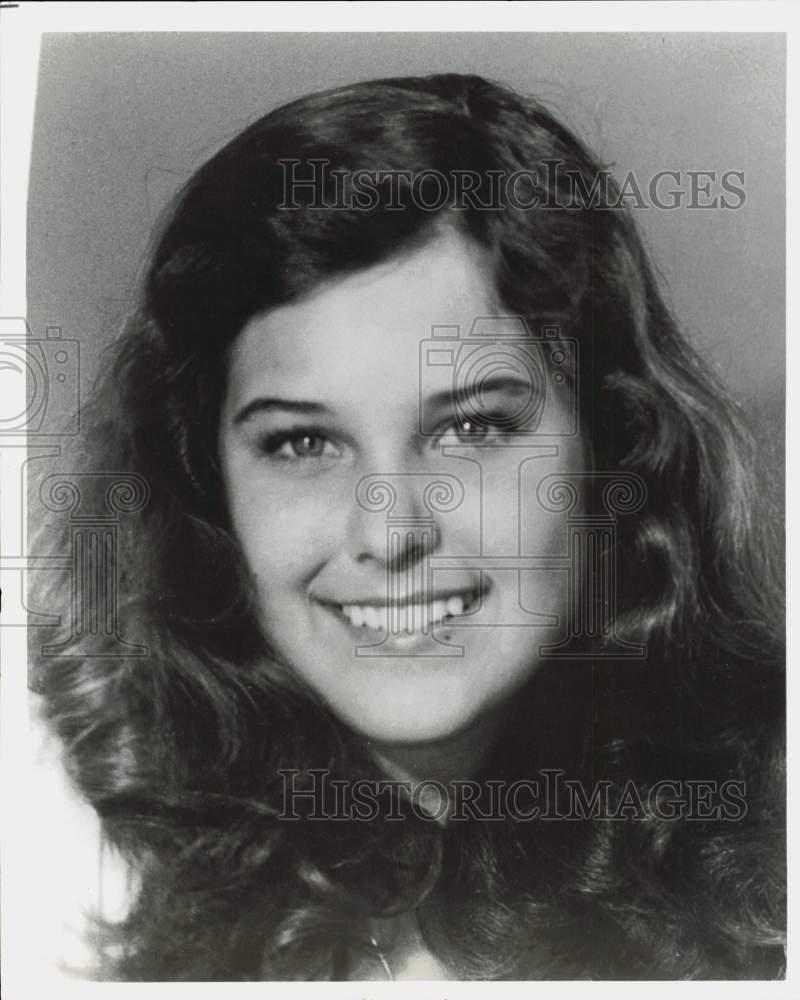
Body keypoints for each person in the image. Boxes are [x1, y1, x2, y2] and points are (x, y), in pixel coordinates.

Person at [30, 72, 785, 981]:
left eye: (471, 428)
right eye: (303, 441)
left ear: (615, 448)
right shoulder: (115, 883)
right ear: (206, 493)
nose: (390, 534)